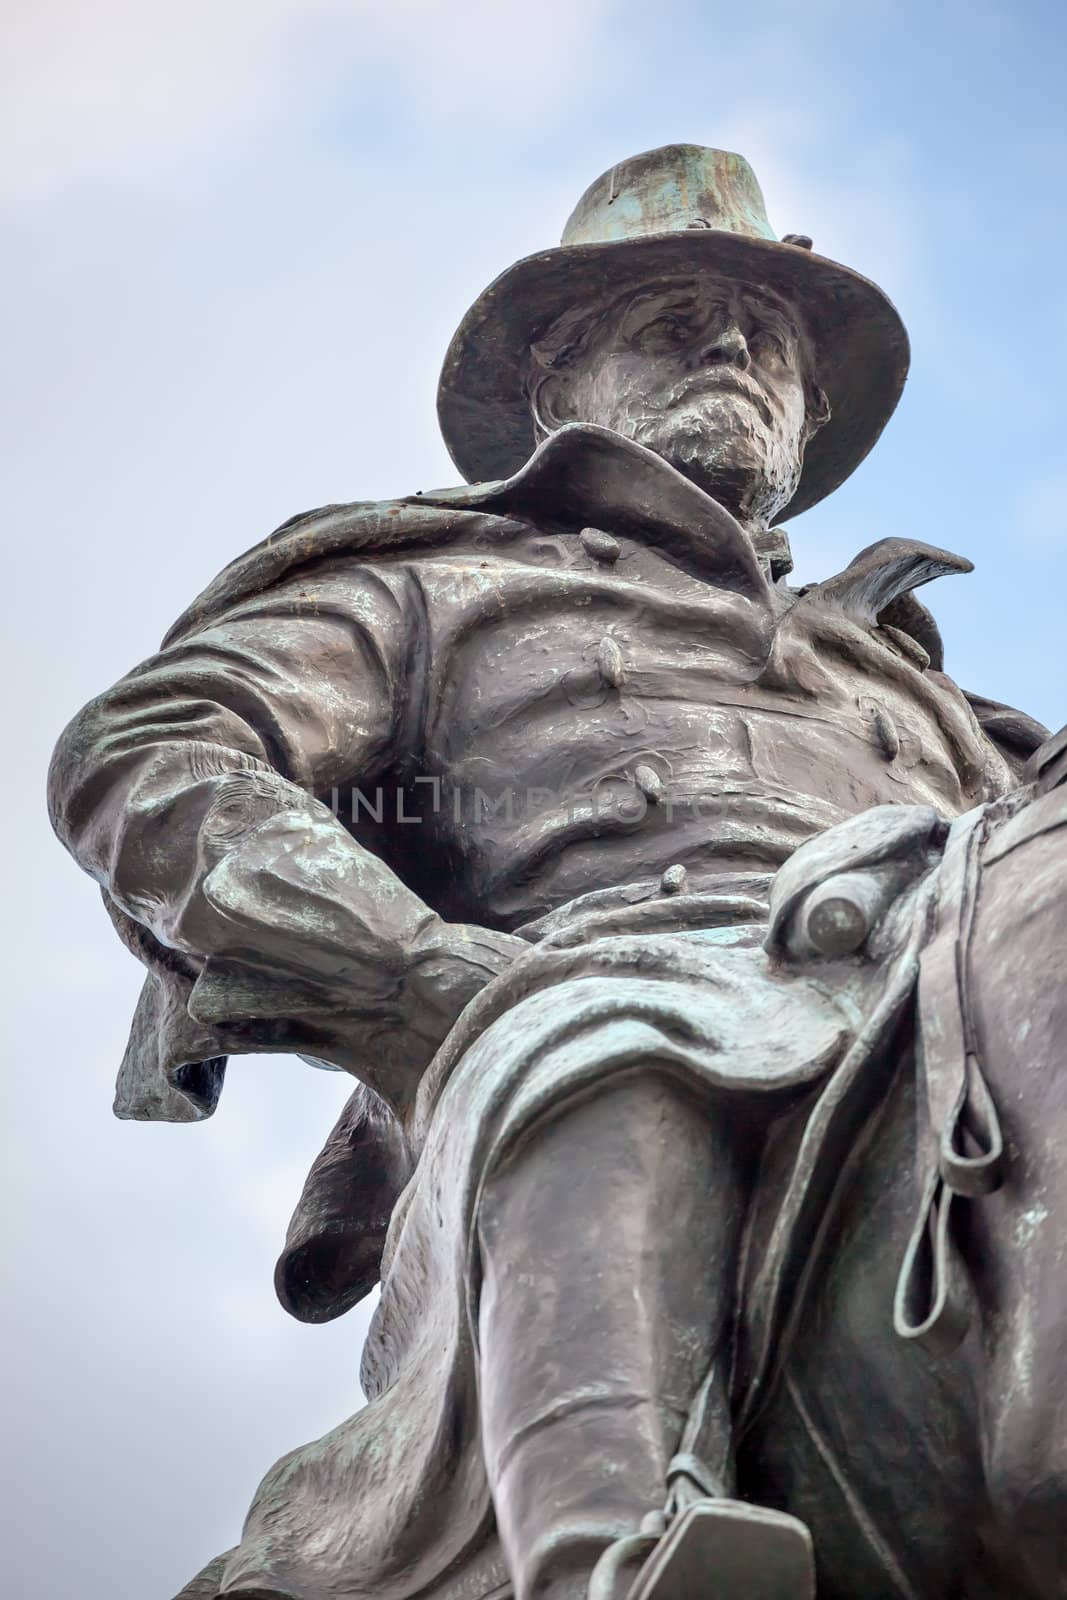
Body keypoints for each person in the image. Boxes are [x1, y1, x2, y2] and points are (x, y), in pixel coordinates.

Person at [49, 146, 1050, 1600]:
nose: (734, 351)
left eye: (769, 342)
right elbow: (148, 751)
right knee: (600, 1030)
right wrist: (406, 971)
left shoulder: (930, 692)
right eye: (675, 318)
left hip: (935, 1010)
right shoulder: (432, 582)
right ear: (555, 387)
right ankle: (616, 1554)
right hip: (635, 985)